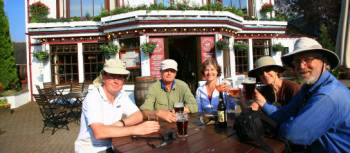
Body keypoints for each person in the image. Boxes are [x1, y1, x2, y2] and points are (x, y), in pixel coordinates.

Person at [252, 37, 350, 153]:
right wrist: (263, 102)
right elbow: (285, 113)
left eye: (308, 59)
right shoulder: (308, 88)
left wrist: (285, 125)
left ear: (324, 62)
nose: (302, 66)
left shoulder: (328, 95)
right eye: (297, 61)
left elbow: (294, 135)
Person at [75, 59, 160, 153]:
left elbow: (138, 115)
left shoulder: (121, 95)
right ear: (103, 77)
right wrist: (135, 129)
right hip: (92, 149)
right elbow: (100, 132)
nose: (116, 81)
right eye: (112, 76)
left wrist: (121, 123)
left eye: (120, 77)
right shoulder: (93, 97)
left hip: (115, 145)